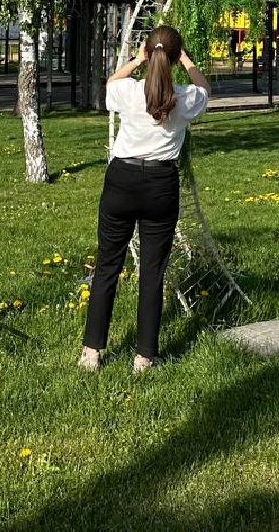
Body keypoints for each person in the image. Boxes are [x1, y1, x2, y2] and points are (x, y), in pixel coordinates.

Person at [80, 25, 209, 373]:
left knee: (108, 265)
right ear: (175, 57)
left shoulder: (128, 92)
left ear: (147, 53)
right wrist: (185, 60)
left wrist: (137, 60)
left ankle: (92, 351)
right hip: (160, 184)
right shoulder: (184, 97)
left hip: (121, 180)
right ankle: (145, 355)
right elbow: (204, 89)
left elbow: (110, 81)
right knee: (152, 272)